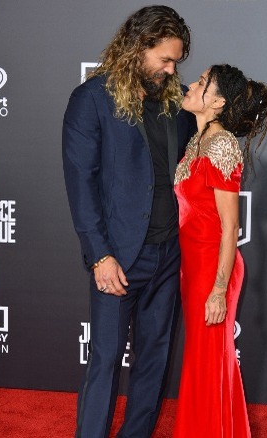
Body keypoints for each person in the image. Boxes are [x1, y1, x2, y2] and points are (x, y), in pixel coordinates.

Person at [61, 5, 195, 437]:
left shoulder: (176, 103)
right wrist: (99, 255)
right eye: (165, 59)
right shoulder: (92, 99)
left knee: (154, 360)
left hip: (169, 252)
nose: (172, 69)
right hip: (118, 255)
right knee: (104, 361)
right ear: (138, 47)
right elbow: (81, 184)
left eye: (176, 60)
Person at [172, 64, 267, 438]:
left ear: (216, 102)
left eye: (201, 83)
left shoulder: (221, 144)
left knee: (207, 361)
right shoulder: (197, 141)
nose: (192, 85)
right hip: (193, 266)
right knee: (207, 362)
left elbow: (231, 226)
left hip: (213, 269)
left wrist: (218, 288)